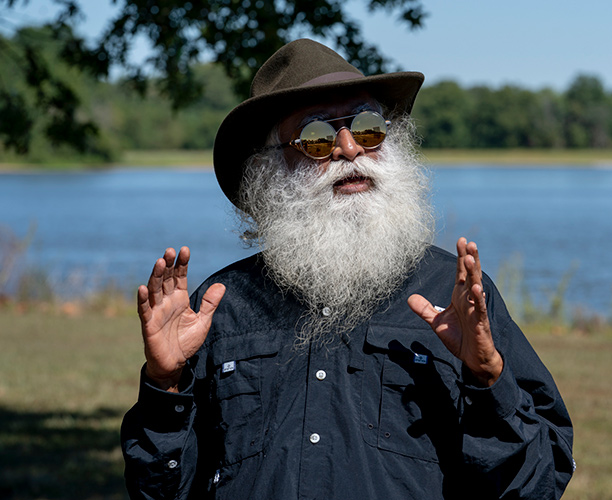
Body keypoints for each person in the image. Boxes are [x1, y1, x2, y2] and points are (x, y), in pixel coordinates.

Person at [121, 38, 574, 500]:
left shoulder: (453, 293)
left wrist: (488, 378)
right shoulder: (222, 304)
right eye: (316, 137)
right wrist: (165, 386)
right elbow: (158, 493)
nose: (348, 147)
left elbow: (538, 486)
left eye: (368, 127)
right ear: (268, 169)